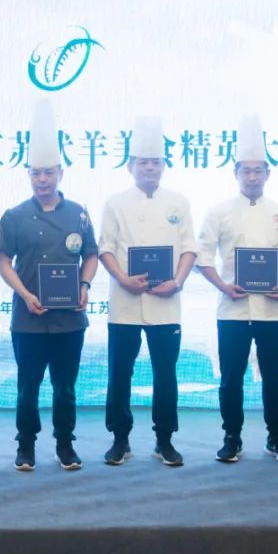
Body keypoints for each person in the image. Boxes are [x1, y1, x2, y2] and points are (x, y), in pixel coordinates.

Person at [197, 114, 278, 464]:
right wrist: (223, 286)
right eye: (246, 171)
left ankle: (277, 437)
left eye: (258, 171)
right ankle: (232, 437)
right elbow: (202, 257)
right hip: (232, 310)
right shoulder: (219, 212)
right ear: (236, 173)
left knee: (275, 378)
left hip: (273, 311)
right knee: (231, 379)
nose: (252, 177)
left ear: (268, 174)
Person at [0, 100, 98, 471]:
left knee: (65, 388)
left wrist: (84, 285)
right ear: (28, 174)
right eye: (36, 173)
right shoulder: (15, 216)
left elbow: (91, 255)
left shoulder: (79, 214)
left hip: (70, 318)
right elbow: (2, 262)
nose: (42, 180)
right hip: (29, 318)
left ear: (60, 173)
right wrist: (24, 295)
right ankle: (25, 445)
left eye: (49, 173)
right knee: (27, 388)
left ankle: (65, 445)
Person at [98, 115, 197, 468]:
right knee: (119, 373)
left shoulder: (179, 202)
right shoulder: (115, 203)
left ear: (164, 165)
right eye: (143, 162)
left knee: (165, 374)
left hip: (166, 304)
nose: (150, 168)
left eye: (156, 162)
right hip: (124, 302)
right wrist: (122, 278)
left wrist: (178, 281)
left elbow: (189, 248)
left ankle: (164, 440)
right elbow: (105, 248)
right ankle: (119, 439)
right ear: (130, 166)